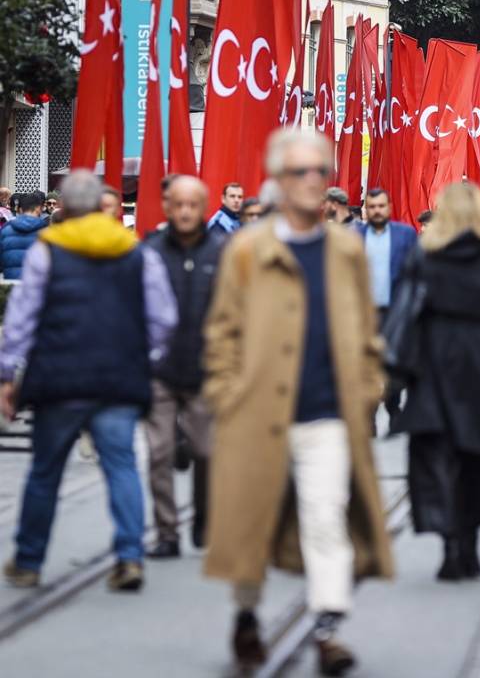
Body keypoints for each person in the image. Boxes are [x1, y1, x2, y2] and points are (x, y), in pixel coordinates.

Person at [202, 129, 393, 674]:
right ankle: (245, 615)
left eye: (320, 172)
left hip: (328, 413)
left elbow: (364, 329)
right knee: (251, 526)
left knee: (325, 518)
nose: (313, 182)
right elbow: (221, 333)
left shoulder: (346, 249)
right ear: (279, 180)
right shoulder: (247, 249)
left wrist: (366, 387)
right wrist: (227, 394)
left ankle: (327, 630)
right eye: (301, 172)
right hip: (257, 415)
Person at [0, 170, 178, 592]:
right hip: (117, 379)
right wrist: (145, 358)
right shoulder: (135, 253)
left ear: (65, 208)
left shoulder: (48, 252)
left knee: (45, 472)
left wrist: (8, 373)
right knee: (121, 467)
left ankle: (28, 559)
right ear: (100, 205)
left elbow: (22, 318)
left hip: (59, 379)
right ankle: (130, 556)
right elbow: (164, 319)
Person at [390, 183, 480, 581]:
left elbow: (405, 310)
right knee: (477, 455)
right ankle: (471, 545)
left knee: (437, 457)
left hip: (434, 366)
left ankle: (449, 545)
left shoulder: (425, 257)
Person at [143, 176, 225, 559]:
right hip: (159, 371)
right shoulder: (151, 252)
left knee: (206, 452)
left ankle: (205, 517)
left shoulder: (222, 251)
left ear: (203, 207)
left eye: (193, 205)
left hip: (205, 370)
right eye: (179, 204)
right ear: (167, 207)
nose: (186, 212)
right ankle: (166, 532)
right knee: (159, 453)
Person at [353, 188, 417, 434]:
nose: (377, 211)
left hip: (395, 313)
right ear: (365, 209)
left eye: (381, 206)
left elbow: (414, 274)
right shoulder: (355, 237)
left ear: (388, 207)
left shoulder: (405, 236)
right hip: (365, 315)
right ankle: (368, 416)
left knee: (393, 366)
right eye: (372, 207)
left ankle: (392, 407)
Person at [1, 192, 49, 280]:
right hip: (37, 286)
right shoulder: (46, 232)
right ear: (38, 209)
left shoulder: (5, 230)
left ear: (20, 210)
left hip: (10, 286)